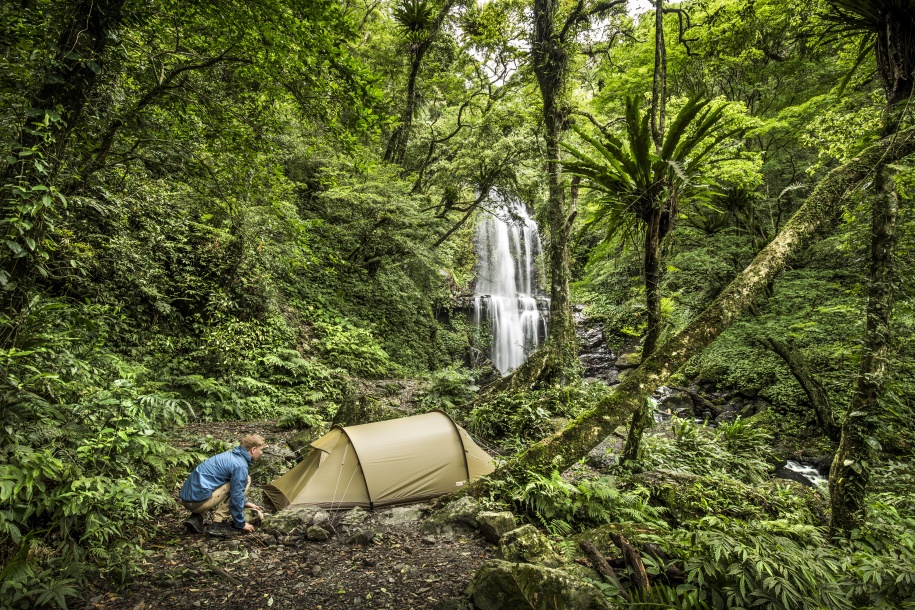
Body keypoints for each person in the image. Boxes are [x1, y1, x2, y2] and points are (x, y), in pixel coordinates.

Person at [180, 433, 265, 534]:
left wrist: (245, 502)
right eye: (261, 449)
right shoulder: (240, 465)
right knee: (246, 479)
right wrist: (241, 523)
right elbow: (236, 495)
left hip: (187, 499)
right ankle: (219, 523)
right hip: (197, 502)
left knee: (224, 482)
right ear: (253, 449)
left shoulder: (229, 455)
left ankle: (196, 518)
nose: (261, 453)